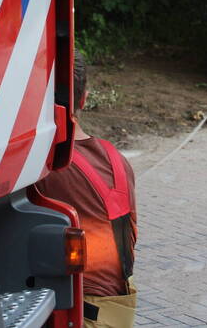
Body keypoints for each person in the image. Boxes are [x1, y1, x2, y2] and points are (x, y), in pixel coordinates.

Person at [38, 59, 138, 328]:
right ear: (84, 98)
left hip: (80, 315)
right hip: (116, 313)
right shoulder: (117, 160)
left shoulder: (44, 165)